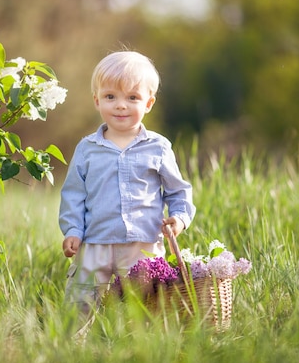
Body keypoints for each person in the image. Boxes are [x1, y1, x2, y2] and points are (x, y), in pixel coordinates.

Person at [58, 50, 196, 320]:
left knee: (146, 303)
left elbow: (177, 191)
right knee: (81, 300)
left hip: (142, 242)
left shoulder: (157, 147)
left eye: (132, 97)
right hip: (95, 240)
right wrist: (73, 230)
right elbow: (74, 194)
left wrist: (179, 219)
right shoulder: (87, 149)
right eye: (111, 97)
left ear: (149, 103)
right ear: (97, 101)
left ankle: (138, 348)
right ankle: (73, 345)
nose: (121, 105)